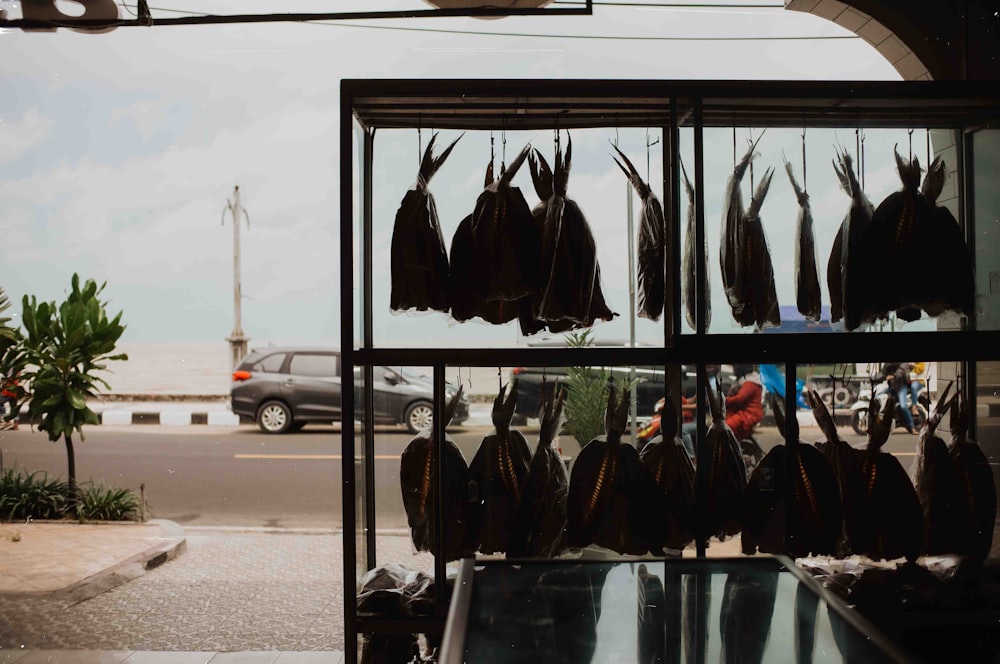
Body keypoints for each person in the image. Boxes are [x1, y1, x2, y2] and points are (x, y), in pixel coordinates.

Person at [680, 364, 764, 455]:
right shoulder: (709, 380)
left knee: (722, 432)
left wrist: (723, 401)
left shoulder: (749, 382)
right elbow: (694, 399)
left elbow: (739, 399)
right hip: (732, 413)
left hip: (745, 416)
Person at [881, 362, 917, 434]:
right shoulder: (887, 364)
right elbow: (883, 373)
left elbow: (901, 372)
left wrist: (893, 376)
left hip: (901, 387)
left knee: (903, 406)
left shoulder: (903, 363)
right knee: (879, 395)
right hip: (892, 387)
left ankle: (912, 427)